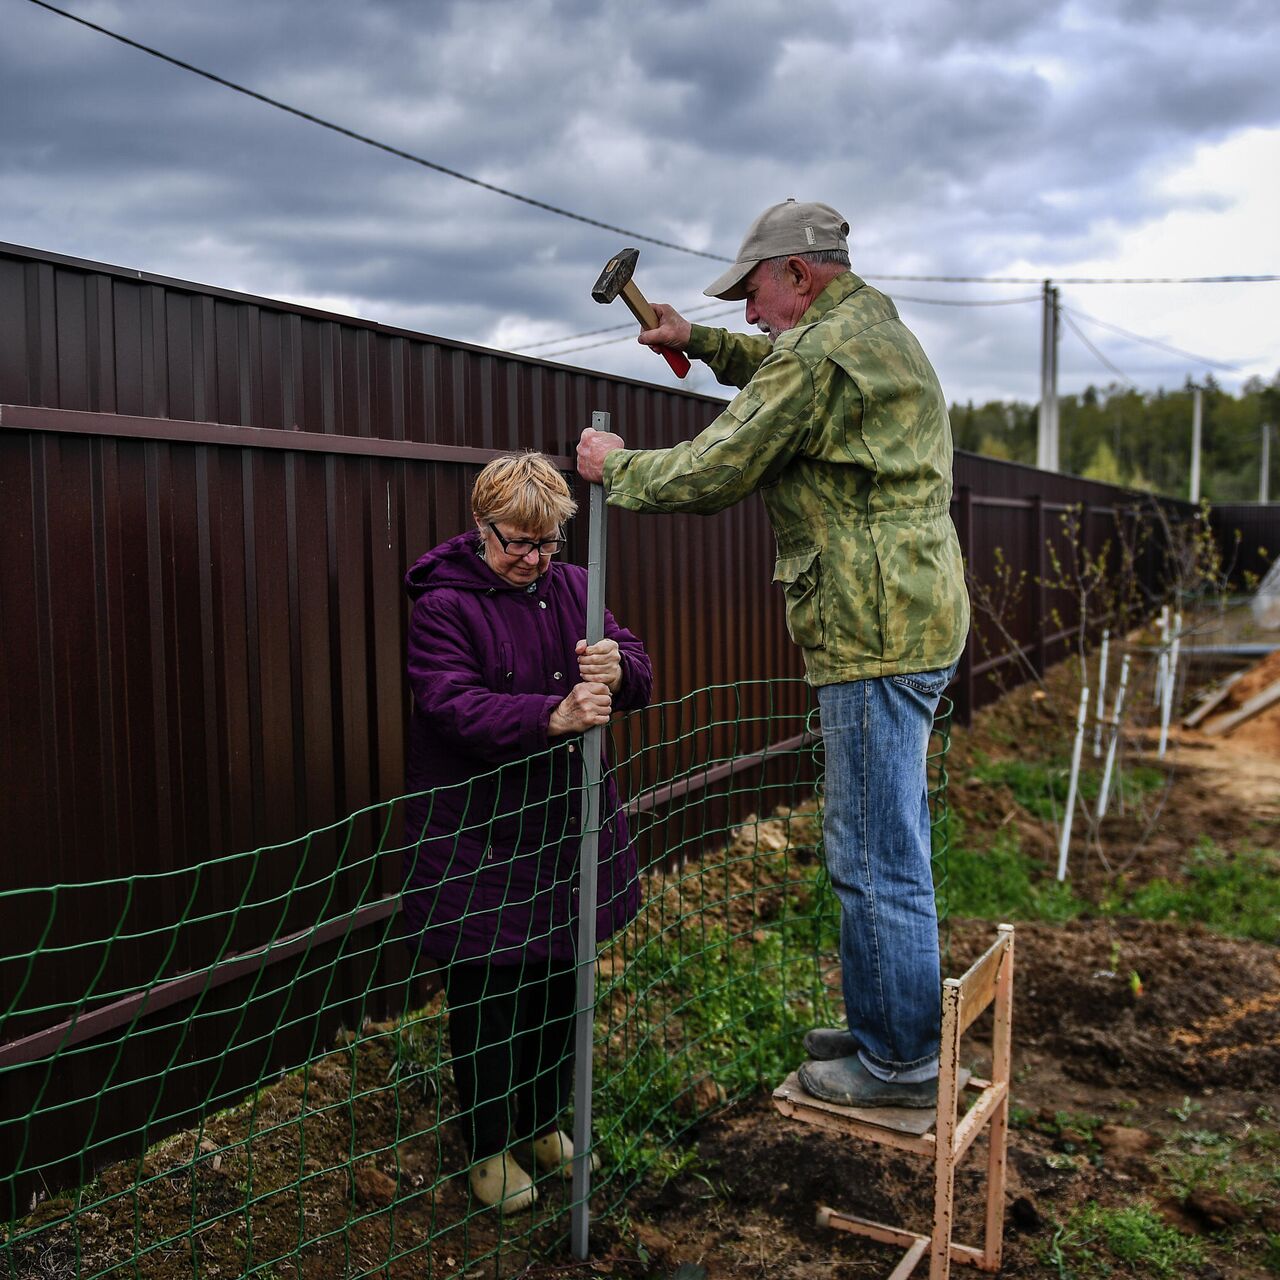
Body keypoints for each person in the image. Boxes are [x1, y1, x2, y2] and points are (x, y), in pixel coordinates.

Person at [576, 199, 969, 1109]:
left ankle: (901, 1063)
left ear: (800, 272)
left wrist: (617, 468)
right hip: (910, 614)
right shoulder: (867, 326)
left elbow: (719, 466)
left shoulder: (821, 352)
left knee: (871, 854)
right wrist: (699, 341)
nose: (748, 315)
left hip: (871, 628)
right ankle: (888, 1025)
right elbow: (780, 364)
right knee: (888, 841)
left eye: (754, 294)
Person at [402, 451, 652, 1210]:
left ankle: (541, 1122)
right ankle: (487, 1149)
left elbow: (636, 663)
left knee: (560, 989)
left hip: (567, 830)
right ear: (482, 528)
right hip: (479, 835)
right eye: (516, 542)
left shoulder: (576, 588)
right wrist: (552, 715)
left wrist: (617, 669)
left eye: (546, 544)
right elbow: (451, 705)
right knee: (490, 1002)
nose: (532, 560)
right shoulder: (442, 605)